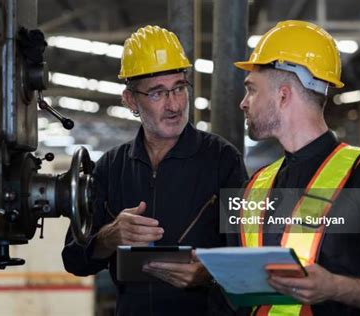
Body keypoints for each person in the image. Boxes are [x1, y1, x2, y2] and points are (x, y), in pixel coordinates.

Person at [62, 25, 248, 315]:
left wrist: (207, 274)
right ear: (130, 100)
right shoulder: (110, 168)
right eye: (158, 93)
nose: (173, 105)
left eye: (179, 88)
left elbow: (248, 257)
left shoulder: (223, 161)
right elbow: (73, 260)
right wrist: (109, 237)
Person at [233, 20, 360, 315]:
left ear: (283, 95)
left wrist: (335, 287)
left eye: (251, 90)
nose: (243, 102)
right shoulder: (255, 185)